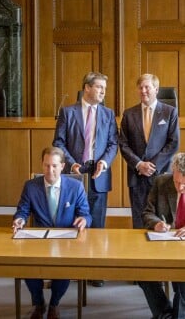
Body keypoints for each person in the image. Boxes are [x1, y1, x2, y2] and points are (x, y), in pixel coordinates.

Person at [53, 71, 118, 287]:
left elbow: (112, 144)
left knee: (97, 225)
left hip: (99, 174)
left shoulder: (108, 114)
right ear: (87, 87)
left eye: (104, 89)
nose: (102, 92)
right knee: (72, 221)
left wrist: (104, 163)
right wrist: (72, 164)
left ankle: (95, 271)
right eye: (99, 87)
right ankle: (71, 268)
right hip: (75, 176)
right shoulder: (67, 112)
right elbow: (59, 142)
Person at [12, 146, 91, 319]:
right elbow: (22, 211)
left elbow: (86, 214)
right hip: (39, 239)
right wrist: (19, 219)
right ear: (42, 165)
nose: (50, 170)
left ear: (62, 166)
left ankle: (54, 304)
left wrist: (84, 220)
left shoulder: (75, 187)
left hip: (67, 239)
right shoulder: (31, 186)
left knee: (65, 265)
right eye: (46, 165)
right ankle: (39, 303)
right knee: (26, 264)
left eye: (54, 166)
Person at [119, 73, 180, 229]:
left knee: (163, 220)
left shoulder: (169, 112)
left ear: (156, 89)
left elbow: (173, 143)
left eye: (147, 87)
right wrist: (139, 164)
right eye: (140, 88)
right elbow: (123, 143)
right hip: (137, 175)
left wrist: (152, 165)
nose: (143, 91)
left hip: (162, 175)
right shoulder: (129, 114)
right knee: (139, 221)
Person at [139, 152, 185, 319]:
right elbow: (147, 213)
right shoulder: (161, 182)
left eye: (184, 185)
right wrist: (156, 223)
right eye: (177, 181)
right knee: (142, 274)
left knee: (183, 280)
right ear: (173, 172)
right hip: (163, 244)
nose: (180, 187)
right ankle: (165, 313)